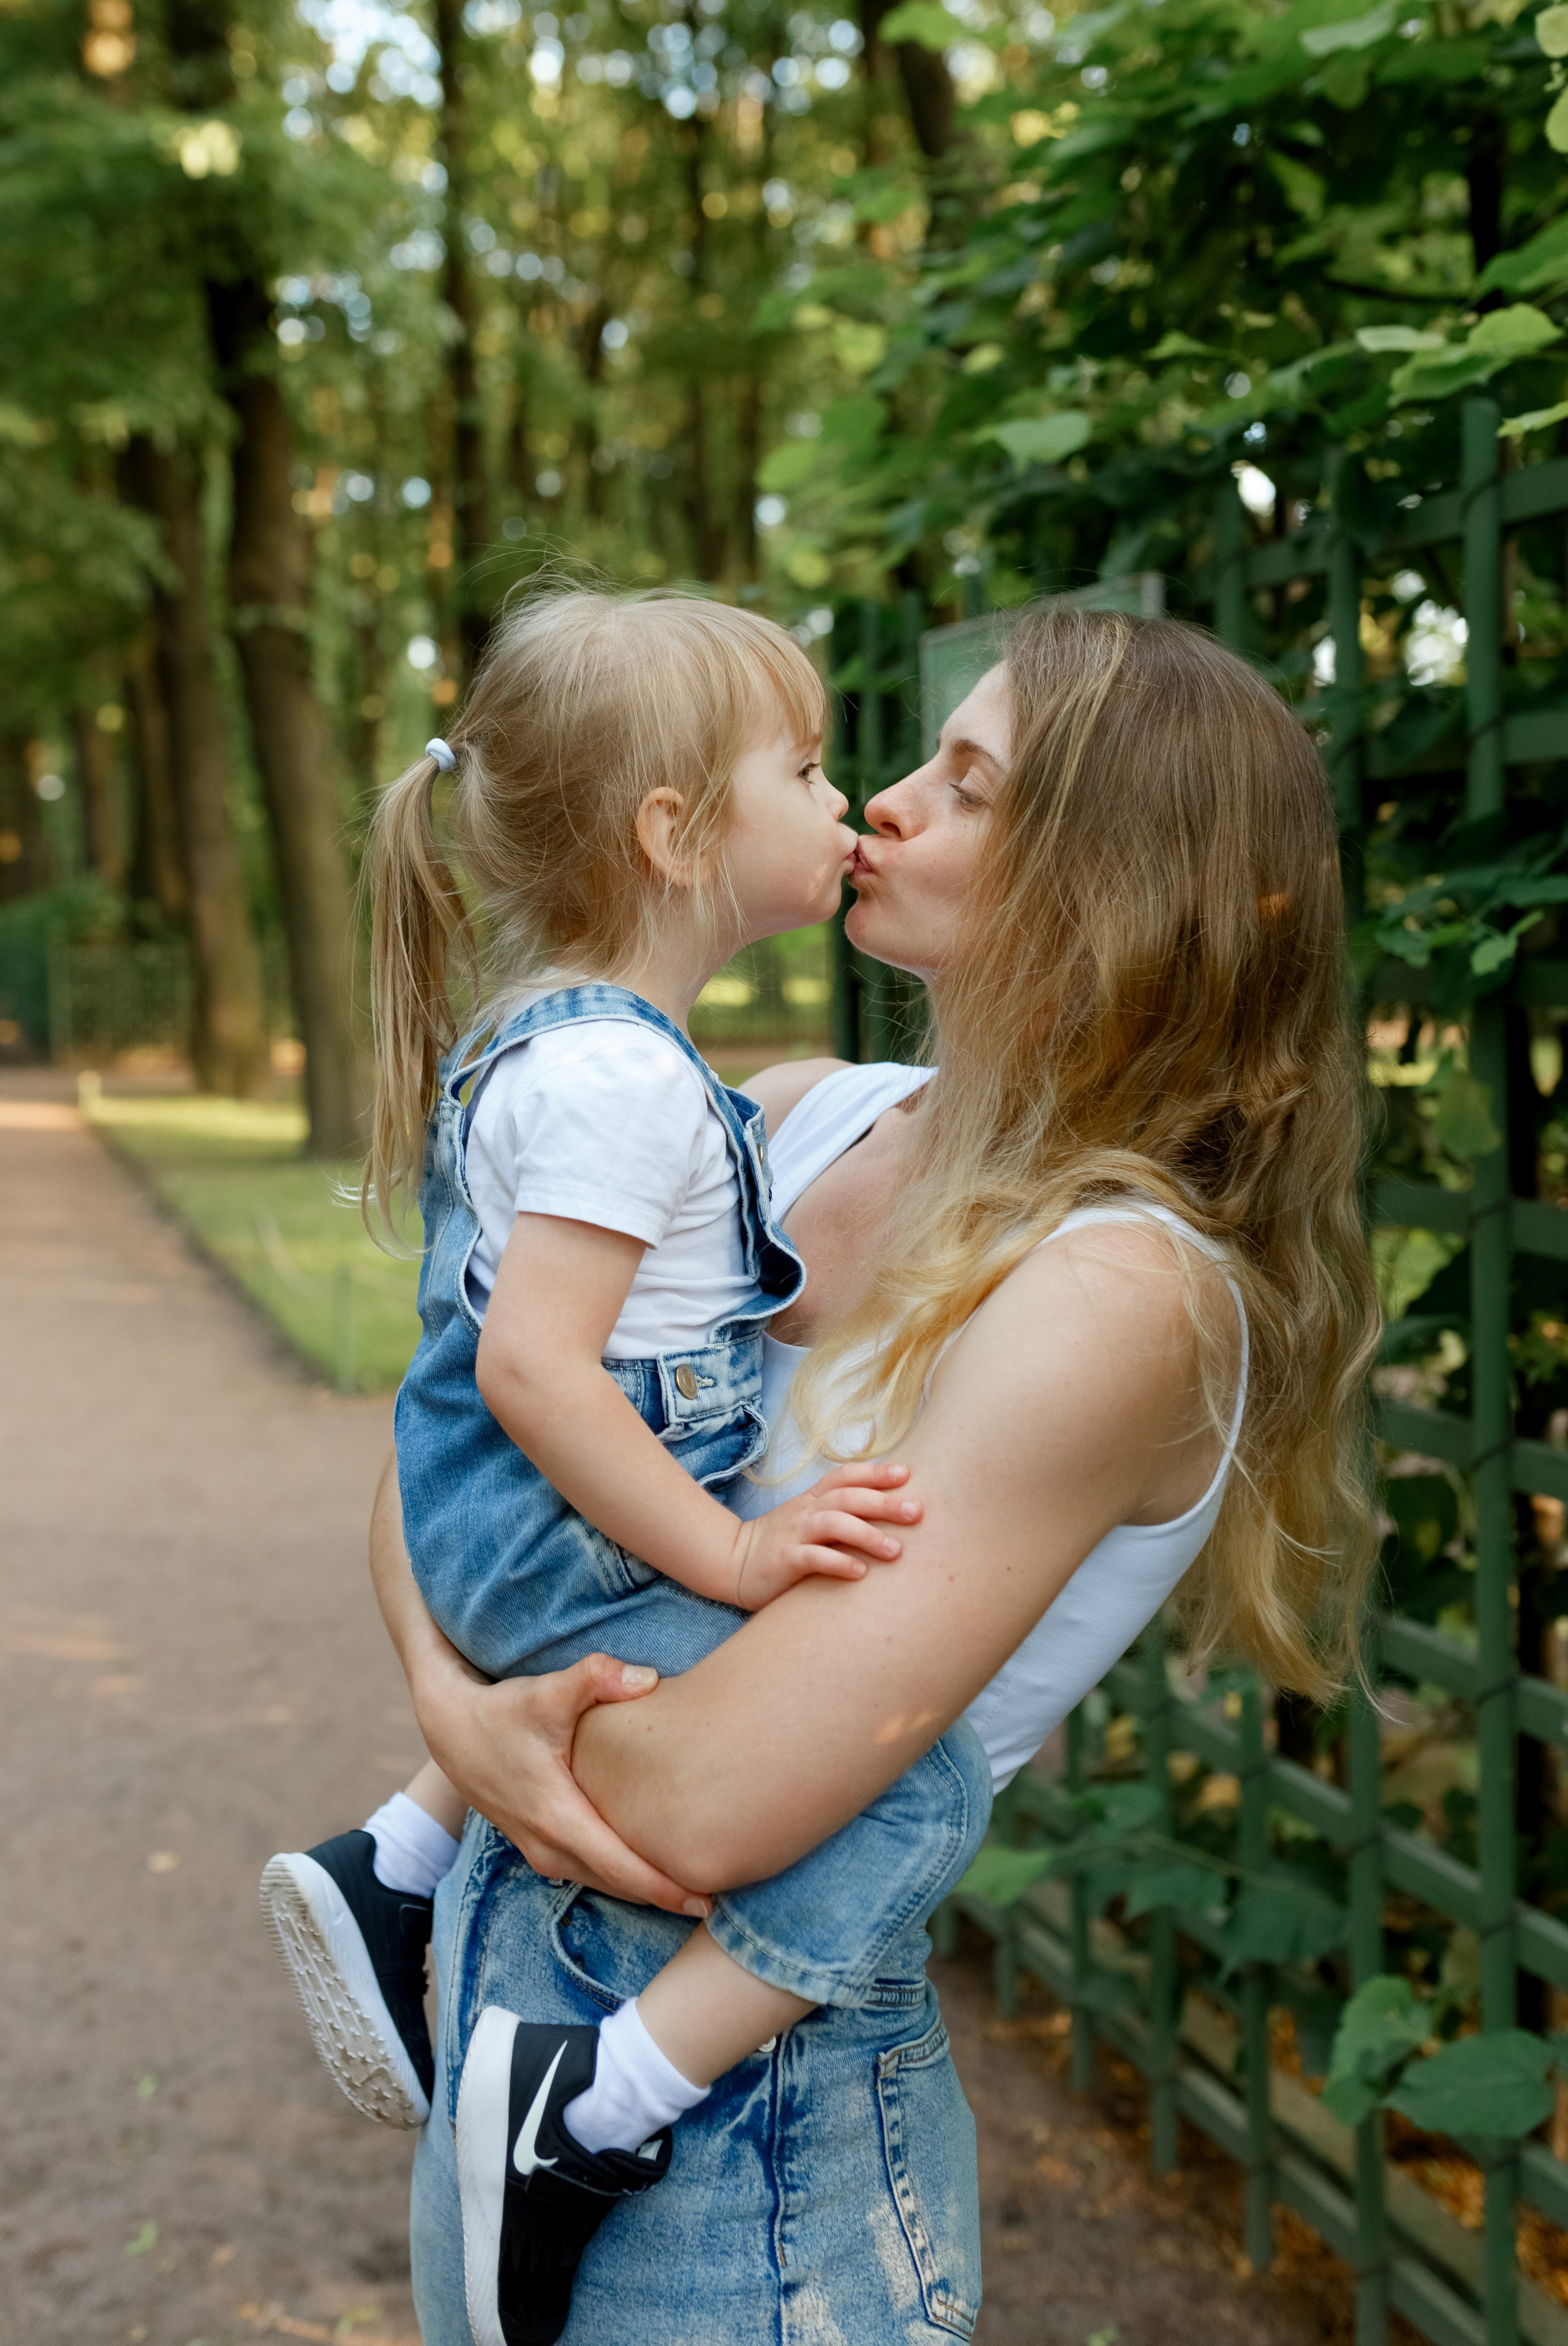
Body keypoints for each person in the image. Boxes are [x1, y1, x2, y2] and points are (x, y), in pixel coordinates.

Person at [369, 604, 1381, 2346]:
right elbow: (440, 1440)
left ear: (1130, 878)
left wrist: (480, 1709)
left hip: (742, 2149)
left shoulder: (1121, 1286)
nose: (887, 804)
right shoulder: (784, 1115)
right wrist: (456, 1723)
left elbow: (703, 1804)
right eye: (896, 763)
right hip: (503, 2002)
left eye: (965, 783)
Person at [258, 590, 998, 2346]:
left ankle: (401, 1866)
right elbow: (530, 1368)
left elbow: (486, 1374)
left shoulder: (592, 1055)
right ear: (674, 833)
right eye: (809, 769)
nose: (857, 804)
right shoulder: (626, 1084)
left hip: (523, 1546)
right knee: (918, 1788)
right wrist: (740, 1565)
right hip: (568, 1557)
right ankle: (585, 2112)